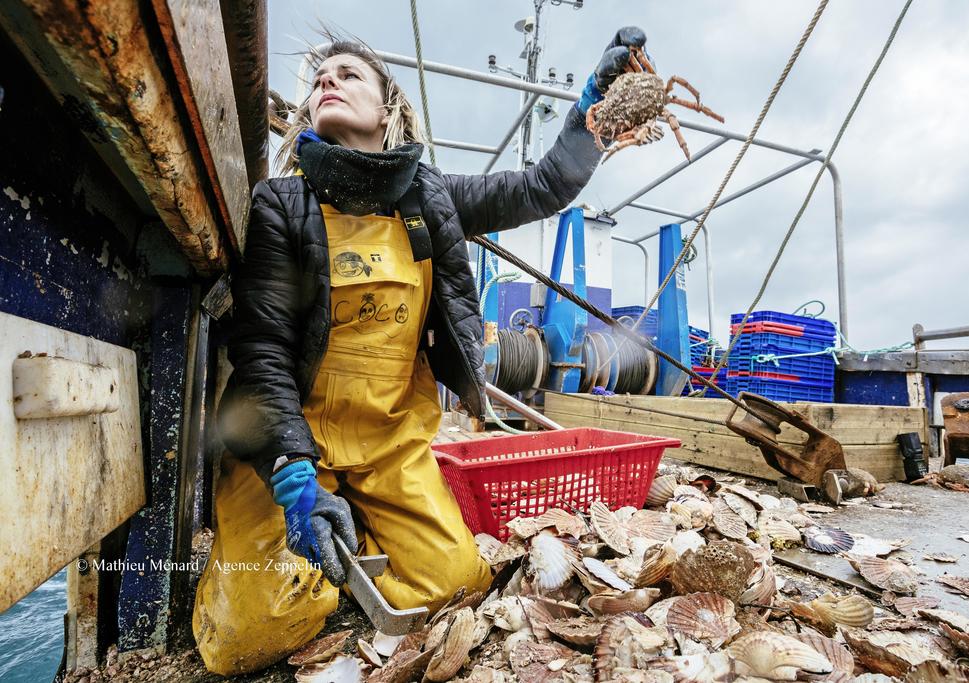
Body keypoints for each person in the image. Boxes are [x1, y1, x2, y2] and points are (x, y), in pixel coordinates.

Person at [191, 26, 650, 675]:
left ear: (388, 110)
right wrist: (294, 473)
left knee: (455, 582)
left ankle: (363, 519)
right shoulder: (283, 203)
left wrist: (589, 116)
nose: (329, 80)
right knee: (253, 630)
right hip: (286, 447)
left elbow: (539, 187)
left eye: (350, 74)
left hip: (389, 444)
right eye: (322, 78)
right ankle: (307, 523)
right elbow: (261, 347)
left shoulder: (430, 198)